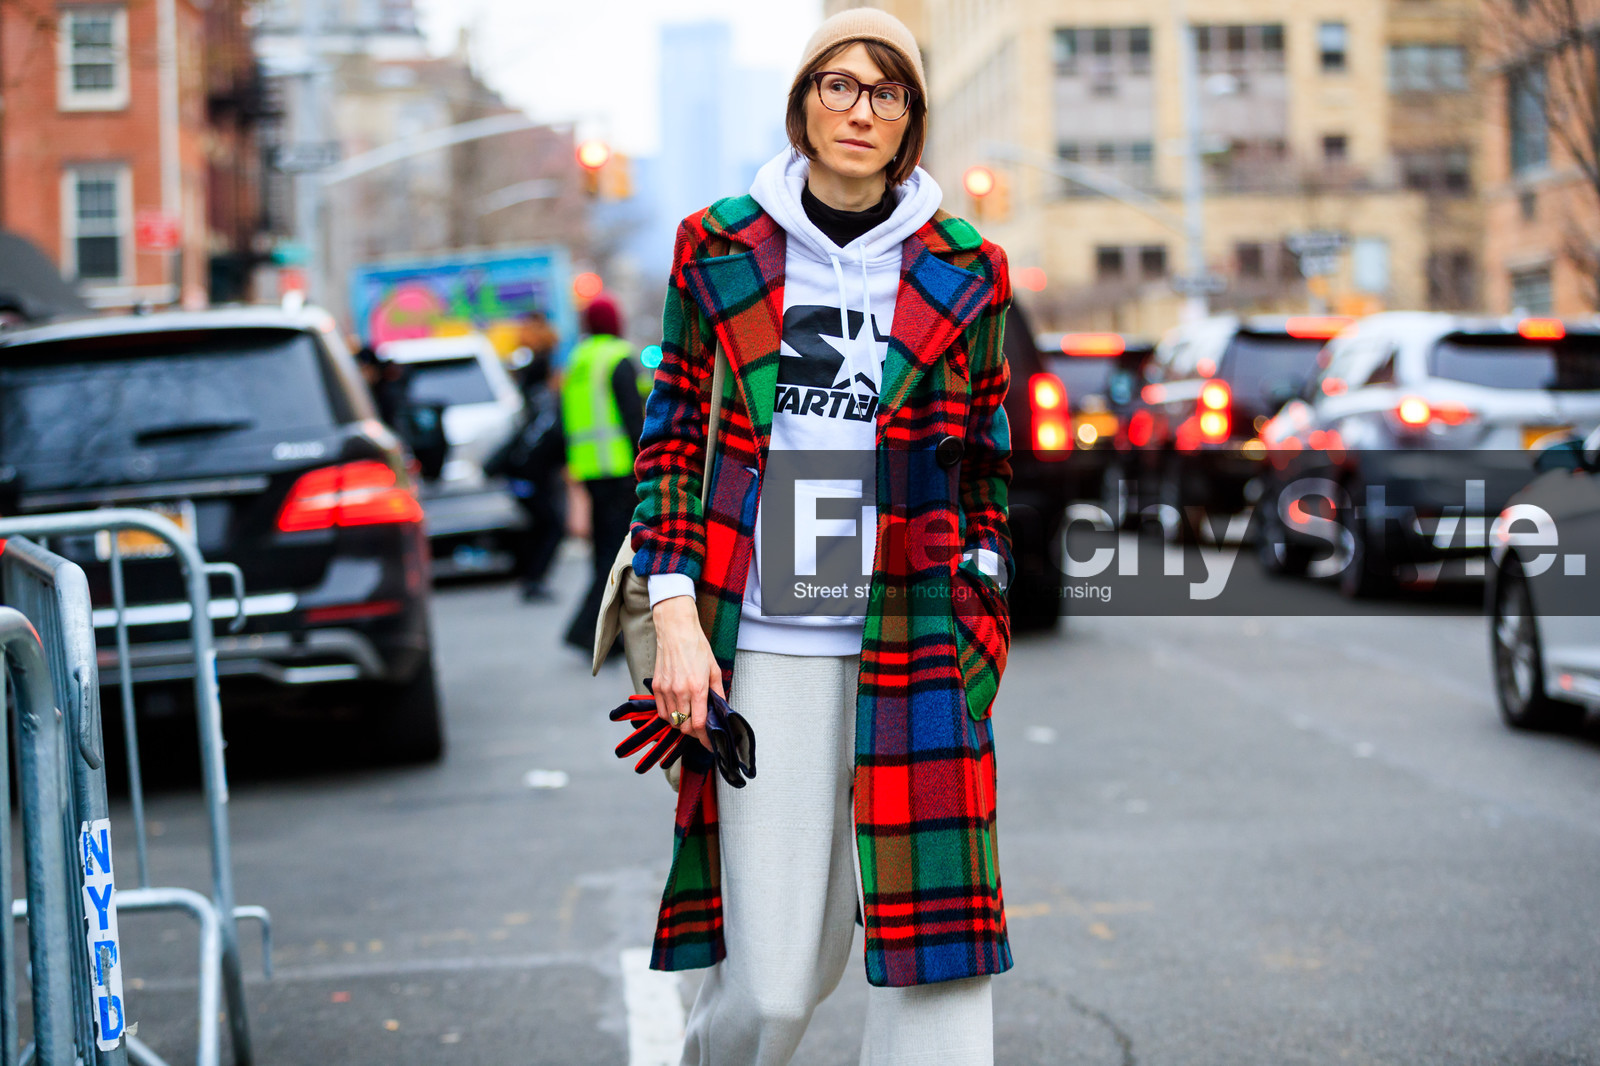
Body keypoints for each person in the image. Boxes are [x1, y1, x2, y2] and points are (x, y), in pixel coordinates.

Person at [627, 10, 1015, 1065]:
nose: (859, 110)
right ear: (801, 102)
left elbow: (986, 460)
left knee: (940, 971)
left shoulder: (966, 266)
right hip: (767, 641)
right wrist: (673, 618)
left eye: (885, 92)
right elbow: (669, 443)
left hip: (916, 630)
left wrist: (979, 612)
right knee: (774, 986)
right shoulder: (717, 246)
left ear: (911, 120)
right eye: (837, 85)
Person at [561, 293, 646, 651]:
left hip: (591, 472)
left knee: (604, 555)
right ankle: (588, 632)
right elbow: (633, 418)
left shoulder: (577, 360)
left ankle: (604, 637)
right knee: (619, 557)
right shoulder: (616, 357)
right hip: (619, 470)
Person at [486, 336, 567, 602]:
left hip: (530, 476)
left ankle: (532, 579)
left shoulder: (531, 398)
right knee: (550, 526)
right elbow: (537, 441)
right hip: (530, 477)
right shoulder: (542, 402)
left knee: (542, 526)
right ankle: (533, 580)